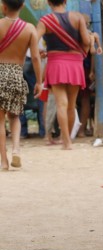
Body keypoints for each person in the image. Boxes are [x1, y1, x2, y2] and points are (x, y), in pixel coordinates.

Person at [36, 0, 90, 150]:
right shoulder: (78, 17)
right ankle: (68, 141)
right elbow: (86, 41)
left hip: (55, 63)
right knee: (71, 105)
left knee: (61, 103)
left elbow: (33, 40)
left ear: (48, 2)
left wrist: (41, 53)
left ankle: (65, 141)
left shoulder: (44, 21)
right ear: (65, 1)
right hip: (75, 64)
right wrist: (85, 50)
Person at [0, 0, 42, 170]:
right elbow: (36, 58)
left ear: (3, 6)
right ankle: (16, 149)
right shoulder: (30, 29)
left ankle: (3, 161)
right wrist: (39, 81)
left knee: (0, 120)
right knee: (15, 116)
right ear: (22, 6)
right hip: (17, 74)